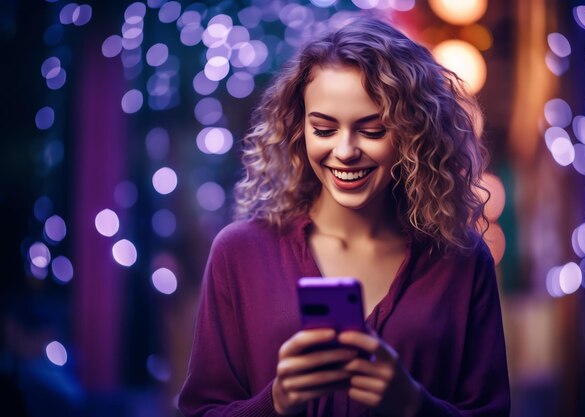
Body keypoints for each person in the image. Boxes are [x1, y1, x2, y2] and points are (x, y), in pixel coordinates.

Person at [178, 17, 510, 417]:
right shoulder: (241, 253)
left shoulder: (462, 259)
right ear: (299, 128)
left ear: (413, 133)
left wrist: (413, 406)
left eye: (372, 131)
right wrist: (275, 403)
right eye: (324, 129)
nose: (346, 150)